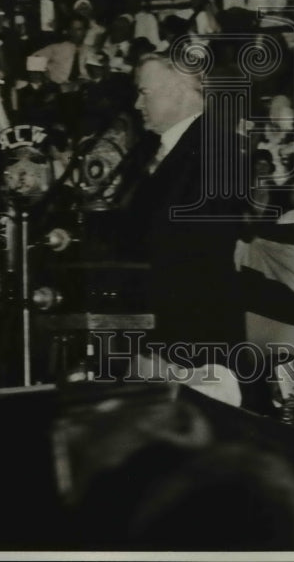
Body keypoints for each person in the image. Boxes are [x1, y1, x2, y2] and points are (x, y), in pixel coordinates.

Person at [118, 53, 243, 361]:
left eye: (144, 92)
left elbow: (198, 244)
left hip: (194, 340)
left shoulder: (217, 149)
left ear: (177, 90)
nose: (136, 104)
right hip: (157, 331)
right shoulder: (148, 152)